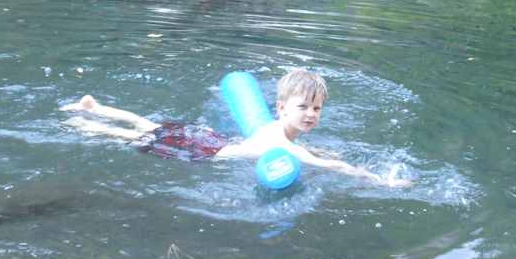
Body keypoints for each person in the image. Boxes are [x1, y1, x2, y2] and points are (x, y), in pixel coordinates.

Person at [62, 68, 410, 187]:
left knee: (151, 126)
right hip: (206, 150)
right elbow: (332, 166)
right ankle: (88, 125)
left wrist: (315, 150)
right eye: (303, 107)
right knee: (136, 137)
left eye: (316, 108)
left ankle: (98, 108)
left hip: (210, 139)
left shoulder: (280, 133)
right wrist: (379, 179)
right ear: (281, 108)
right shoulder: (288, 147)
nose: (311, 114)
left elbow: (307, 152)